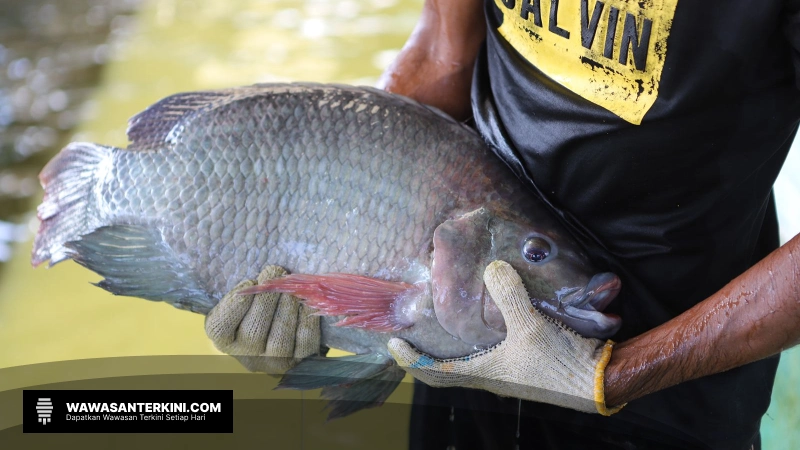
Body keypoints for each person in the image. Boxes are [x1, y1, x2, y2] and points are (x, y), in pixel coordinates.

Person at [205, 1, 800, 448]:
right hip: (463, 347)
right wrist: (322, 271)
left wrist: (616, 375)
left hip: (672, 386)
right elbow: (443, 53)